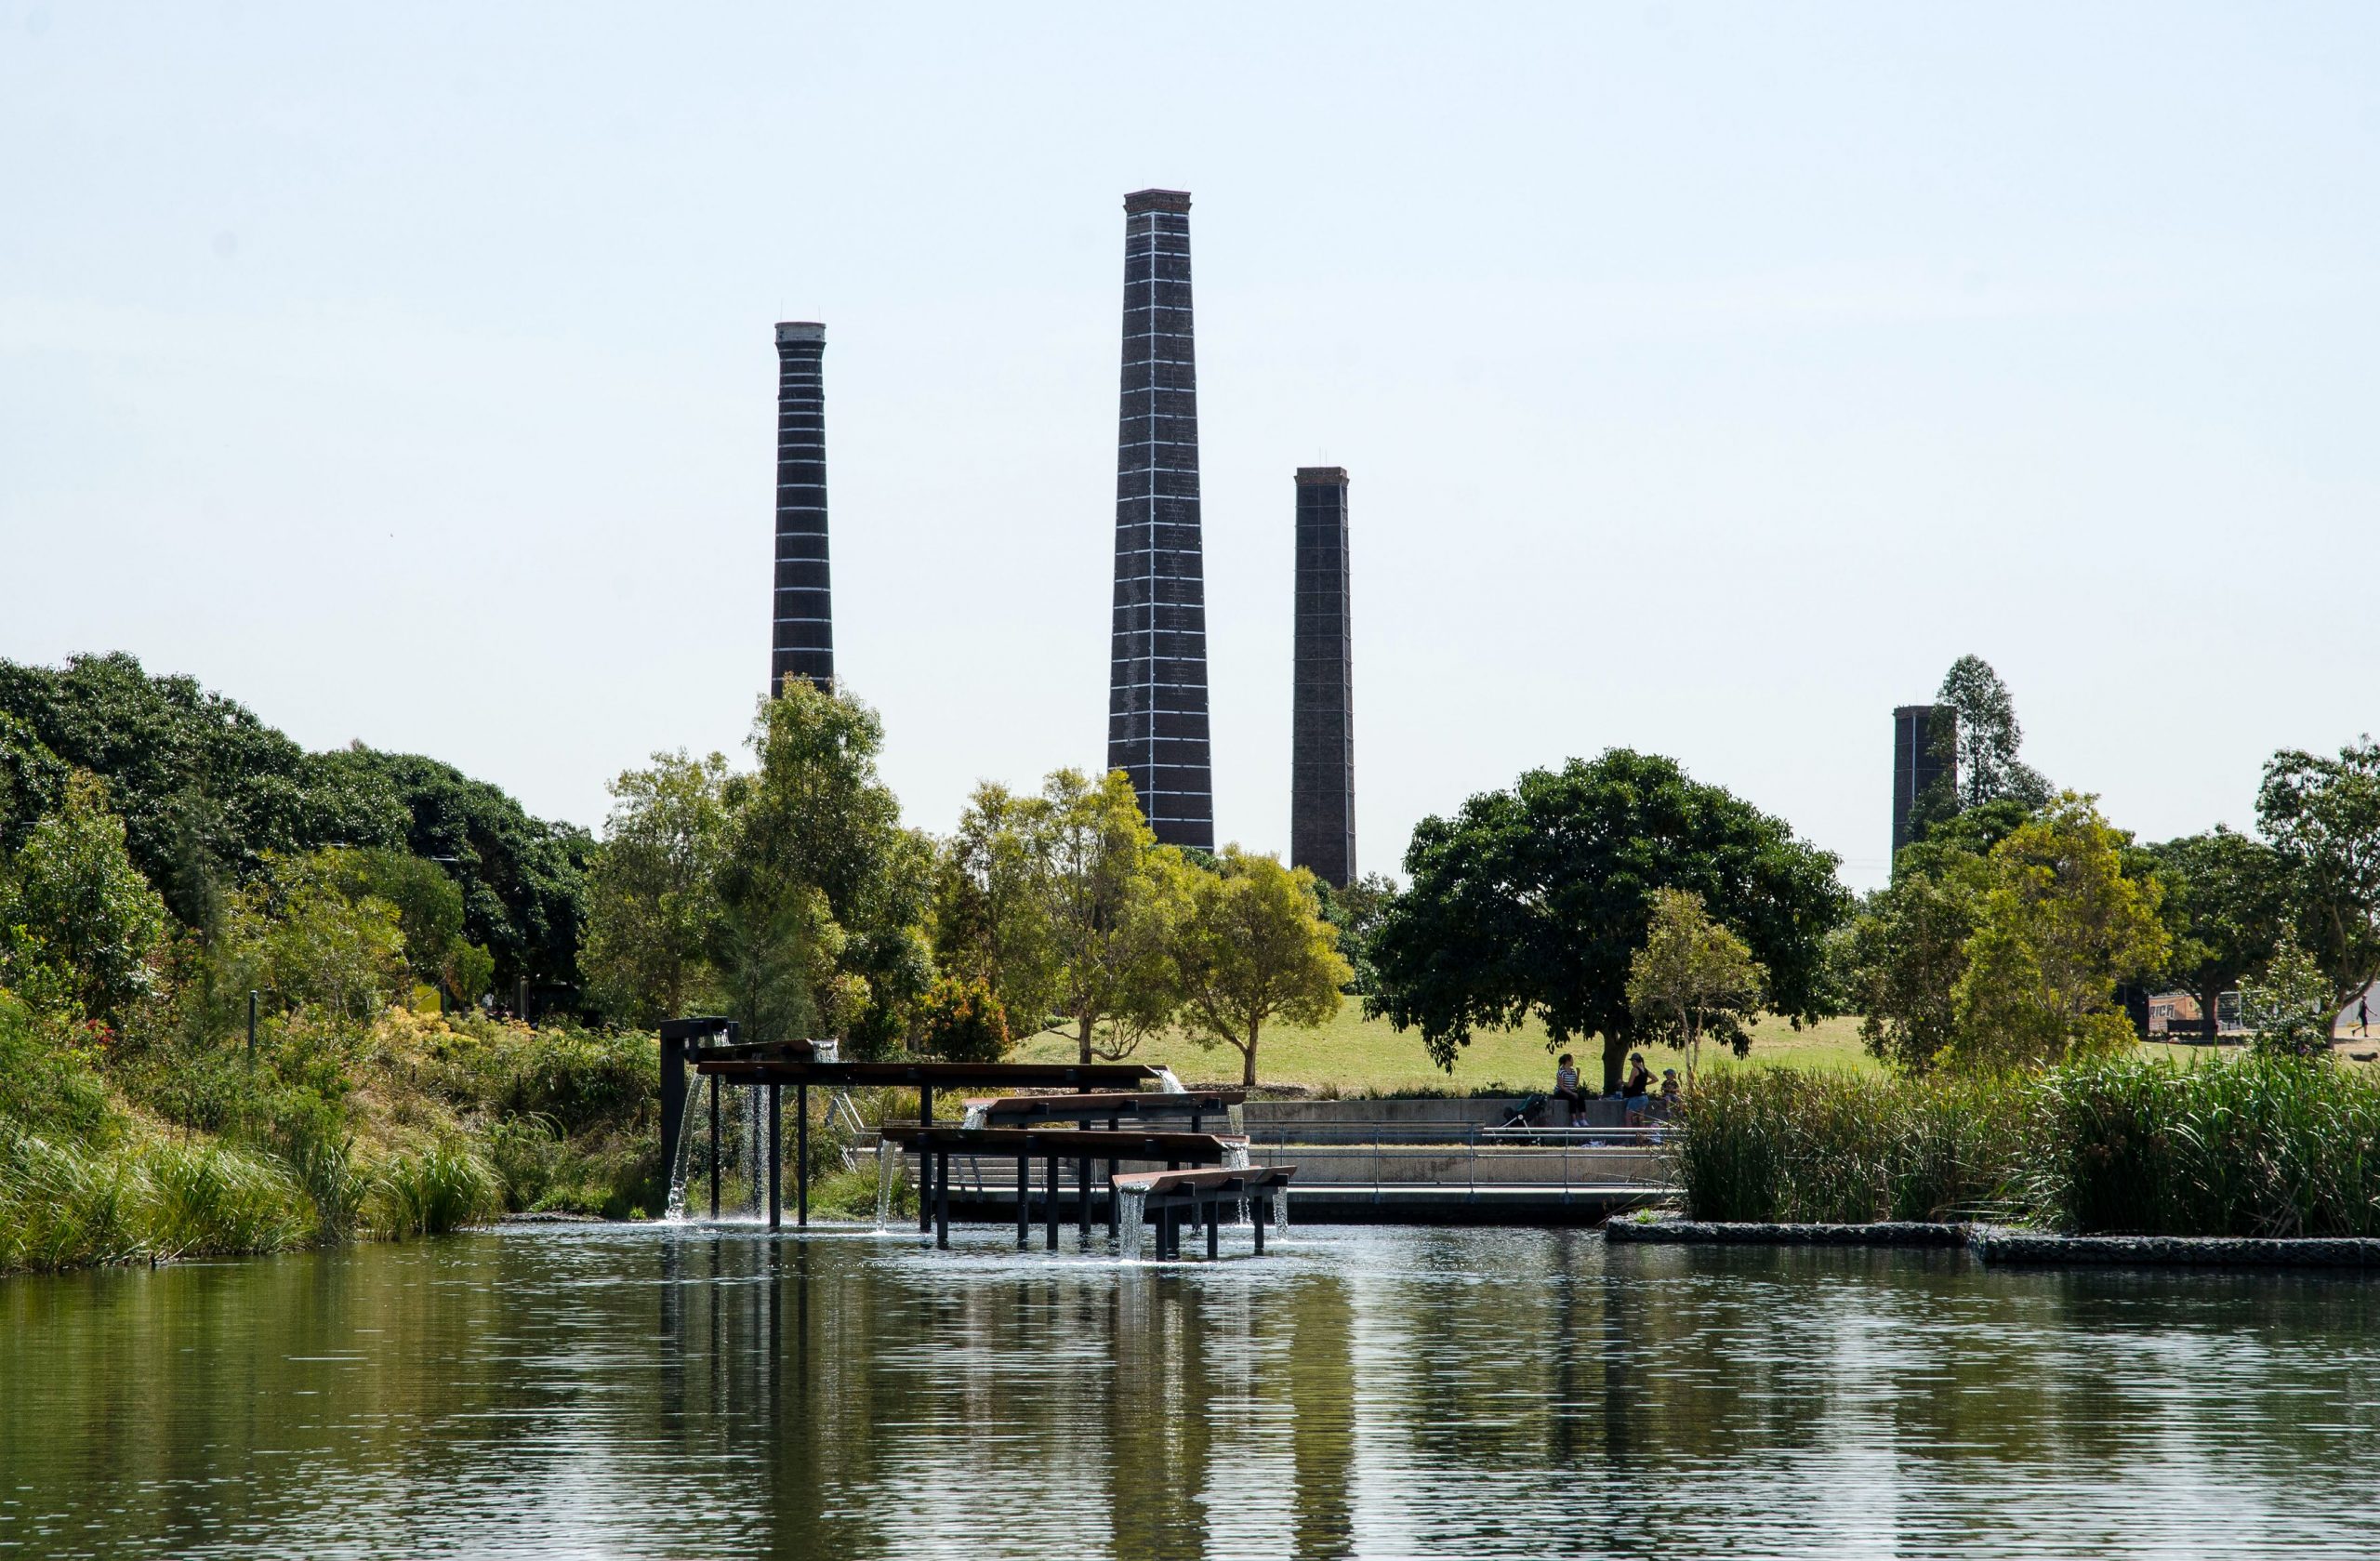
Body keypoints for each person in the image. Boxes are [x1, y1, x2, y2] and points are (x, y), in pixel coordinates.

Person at [1620, 1052, 1653, 1126]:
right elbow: (1655, 1079)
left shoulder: (1635, 1069)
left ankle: (1628, 1136)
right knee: (1641, 1118)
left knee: (1628, 1118)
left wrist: (1622, 1082)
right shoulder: (1645, 1070)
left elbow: (1629, 1084)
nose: (1631, 1063)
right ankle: (1643, 1136)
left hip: (1636, 1097)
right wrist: (1646, 1084)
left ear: (1635, 1061)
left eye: (1632, 1061)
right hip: (1644, 1097)